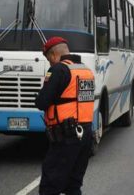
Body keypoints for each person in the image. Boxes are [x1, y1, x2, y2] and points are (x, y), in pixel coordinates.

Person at [35, 37, 94, 195]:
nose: (50, 63)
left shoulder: (59, 70)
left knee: (49, 186)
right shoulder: (85, 70)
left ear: (54, 54)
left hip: (66, 136)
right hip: (86, 135)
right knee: (73, 186)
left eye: (49, 59)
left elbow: (42, 101)